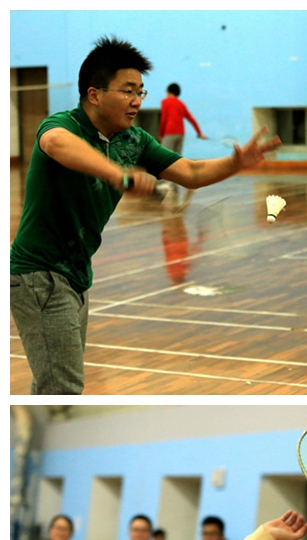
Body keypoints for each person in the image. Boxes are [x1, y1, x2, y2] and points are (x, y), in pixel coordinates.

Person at [10, 36, 281, 395]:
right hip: (39, 274)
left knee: (52, 382)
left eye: (140, 92)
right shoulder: (64, 125)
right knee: (62, 386)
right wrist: (118, 175)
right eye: (127, 91)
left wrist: (235, 163)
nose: (137, 101)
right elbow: (56, 144)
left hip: (76, 273)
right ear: (94, 95)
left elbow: (192, 172)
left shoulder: (133, 140)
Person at [158, 83, 206, 154]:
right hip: (180, 134)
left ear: (168, 91)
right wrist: (199, 133)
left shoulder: (165, 102)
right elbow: (192, 120)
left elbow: (163, 119)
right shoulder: (181, 104)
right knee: (177, 157)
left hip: (170, 132)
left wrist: (160, 134)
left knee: (164, 155)